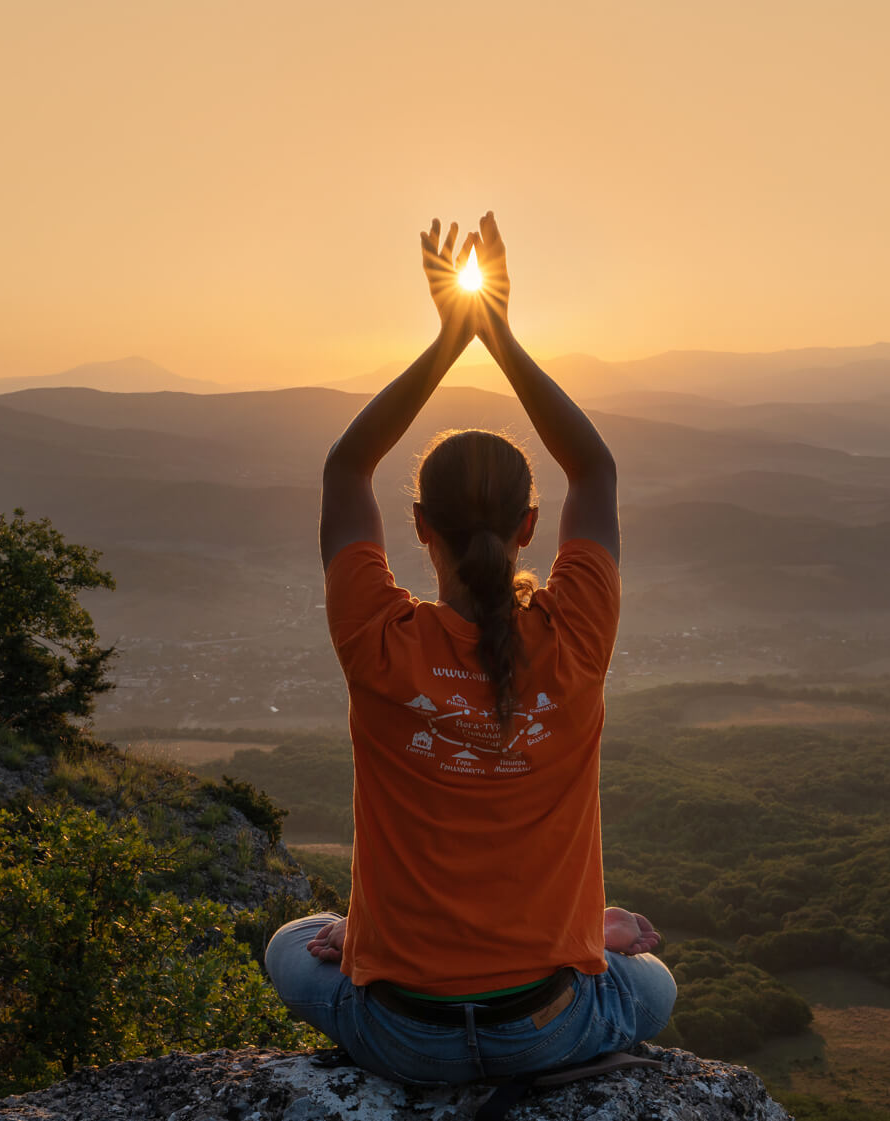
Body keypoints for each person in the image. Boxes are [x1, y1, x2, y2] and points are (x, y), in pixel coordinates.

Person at [264, 212, 676, 1087]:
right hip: (547, 1029)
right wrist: (501, 334)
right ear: (531, 526)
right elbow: (596, 470)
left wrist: (451, 338)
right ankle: (579, 935)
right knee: (655, 985)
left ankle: (381, 940)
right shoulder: (576, 634)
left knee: (293, 945)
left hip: (400, 1034)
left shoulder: (380, 638)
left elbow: (345, 468)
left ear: (418, 530)